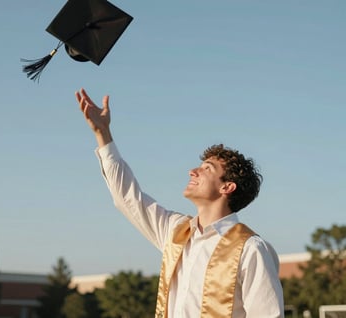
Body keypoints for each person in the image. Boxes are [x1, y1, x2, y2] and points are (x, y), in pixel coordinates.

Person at [75, 88, 285, 318]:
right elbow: (128, 198)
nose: (192, 171)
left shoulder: (250, 249)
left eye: (207, 168)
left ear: (227, 187)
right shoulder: (175, 231)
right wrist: (103, 135)